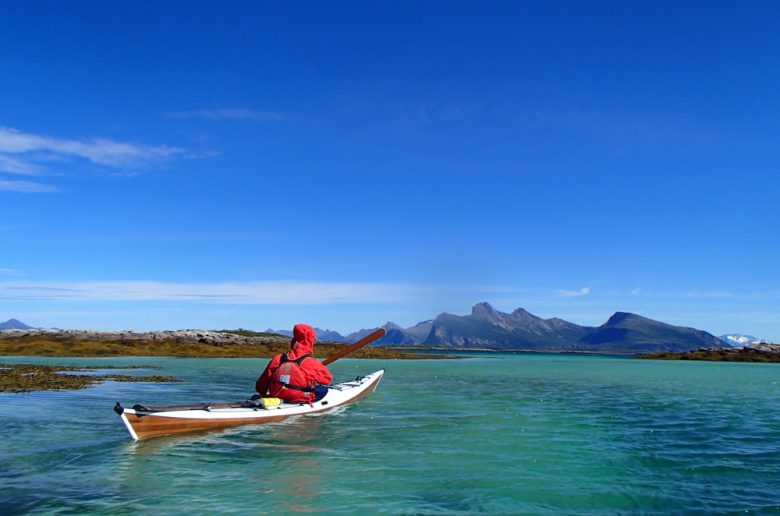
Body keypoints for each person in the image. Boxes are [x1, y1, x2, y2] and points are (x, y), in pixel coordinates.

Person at [255, 323, 333, 403]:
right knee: (323, 389)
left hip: (276, 395)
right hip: (299, 398)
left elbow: (261, 385)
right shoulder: (311, 362)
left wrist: (265, 395)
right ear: (310, 339)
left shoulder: (278, 358)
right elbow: (327, 379)